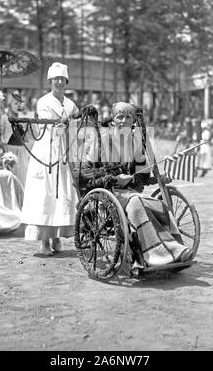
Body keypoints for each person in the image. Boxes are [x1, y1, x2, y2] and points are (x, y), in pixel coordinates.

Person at [73, 102, 193, 273]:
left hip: (129, 192)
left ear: (133, 121)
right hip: (108, 193)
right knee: (137, 202)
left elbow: (141, 177)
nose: (123, 121)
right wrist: (112, 178)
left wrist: (150, 178)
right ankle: (155, 253)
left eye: (128, 117)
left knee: (157, 203)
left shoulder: (135, 142)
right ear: (113, 120)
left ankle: (174, 248)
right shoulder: (101, 140)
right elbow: (84, 173)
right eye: (119, 117)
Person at [22, 62, 79, 256]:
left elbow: (77, 124)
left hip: (64, 151)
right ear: (50, 81)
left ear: (66, 81)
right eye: (56, 79)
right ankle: (44, 241)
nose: (59, 82)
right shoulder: (43, 102)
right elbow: (49, 125)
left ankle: (57, 236)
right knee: (45, 193)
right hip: (47, 150)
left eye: (62, 79)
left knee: (62, 192)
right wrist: (63, 125)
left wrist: (71, 126)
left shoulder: (71, 104)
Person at [0, 90, 31, 188]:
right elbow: (0, 136)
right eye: (16, 103)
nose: (18, 106)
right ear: (10, 104)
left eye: (20, 104)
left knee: (22, 178)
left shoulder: (24, 119)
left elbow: (29, 137)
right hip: (9, 151)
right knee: (9, 178)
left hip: (21, 153)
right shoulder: (4, 118)